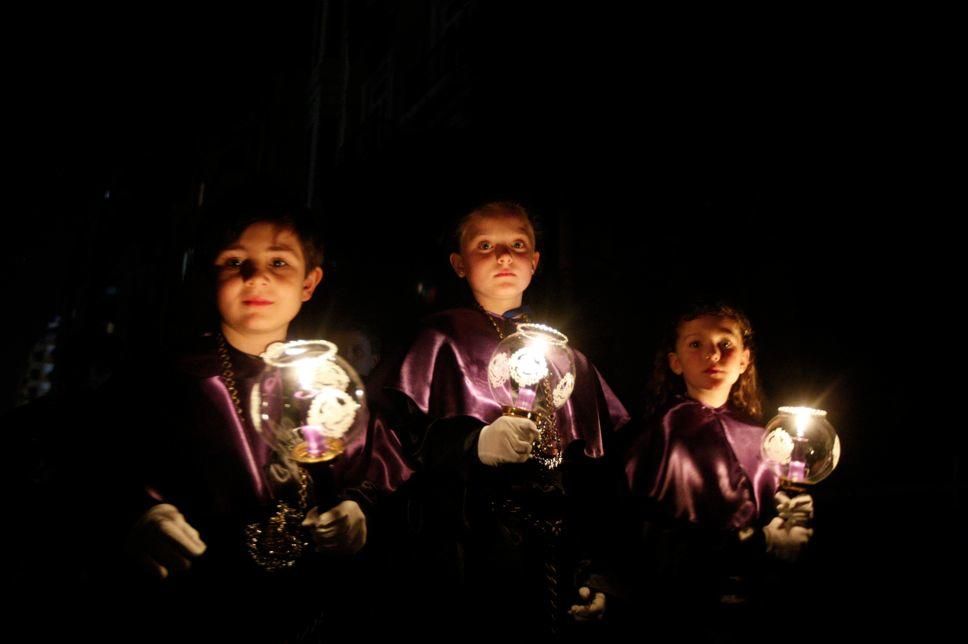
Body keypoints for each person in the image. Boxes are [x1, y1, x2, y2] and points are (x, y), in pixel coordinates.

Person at [117, 193, 405, 640]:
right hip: (200, 609)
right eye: (235, 262)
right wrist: (138, 514)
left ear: (309, 283)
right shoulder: (171, 380)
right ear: (211, 274)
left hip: (316, 610)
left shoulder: (330, 382)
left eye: (279, 263)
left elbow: (375, 465)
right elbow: (107, 463)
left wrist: (357, 509)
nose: (256, 277)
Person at [370, 201, 629, 638]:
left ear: (535, 261)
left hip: (556, 555)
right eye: (485, 245)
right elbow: (397, 441)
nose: (503, 256)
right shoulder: (439, 341)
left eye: (517, 244)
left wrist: (597, 571)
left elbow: (596, 472)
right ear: (458, 263)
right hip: (469, 553)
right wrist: (472, 444)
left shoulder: (565, 356)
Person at [622, 302, 813, 640]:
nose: (712, 355)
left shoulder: (764, 438)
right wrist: (759, 542)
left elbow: (771, 512)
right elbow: (648, 534)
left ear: (744, 359)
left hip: (757, 609)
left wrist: (788, 520)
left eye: (726, 344)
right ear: (675, 361)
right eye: (696, 344)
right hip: (681, 612)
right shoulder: (661, 434)